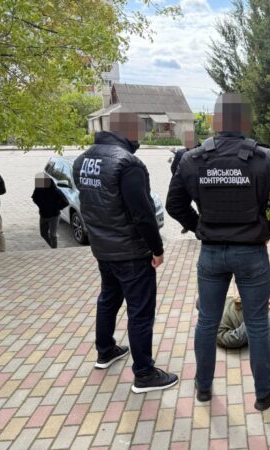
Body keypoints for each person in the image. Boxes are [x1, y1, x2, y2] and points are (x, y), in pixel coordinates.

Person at [166, 92, 270, 411]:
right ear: (246, 121)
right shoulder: (264, 158)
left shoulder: (192, 159)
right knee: (257, 322)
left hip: (211, 254)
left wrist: (199, 227)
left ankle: (203, 387)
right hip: (251, 253)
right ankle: (263, 393)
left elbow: (174, 205)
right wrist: (269, 231)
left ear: (215, 121)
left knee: (207, 321)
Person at [73, 130, 178, 394]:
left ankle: (105, 350)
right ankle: (144, 373)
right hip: (130, 252)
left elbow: (90, 204)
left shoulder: (83, 160)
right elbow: (142, 213)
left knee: (108, 299)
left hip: (103, 248)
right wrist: (157, 248)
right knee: (140, 311)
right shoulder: (128, 164)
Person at [31, 174, 69, 249]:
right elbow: (34, 198)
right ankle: (52, 246)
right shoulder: (38, 189)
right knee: (43, 233)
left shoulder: (56, 191)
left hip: (54, 216)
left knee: (53, 235)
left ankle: (54, 250)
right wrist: (41, 205)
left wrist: (56, 207)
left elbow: (65, 202)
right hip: (43, 215)